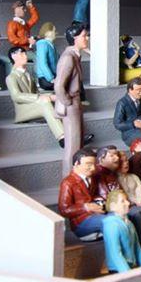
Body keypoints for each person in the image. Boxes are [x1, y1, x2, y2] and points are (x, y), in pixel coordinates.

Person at [93, 146, 141, 258]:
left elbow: (140, 189)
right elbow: (113, 195)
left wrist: (139, 200)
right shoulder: (108, 175)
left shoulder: (129, 176)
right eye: (112, 156)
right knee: (138, 214)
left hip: (133, 203)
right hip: (121, 206)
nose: (124, 163)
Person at [6, 46, 65, 147]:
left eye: (25, 53)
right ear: (13, 56)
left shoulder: (28, 75)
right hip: (23, 110)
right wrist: (39, 98)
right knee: (45, 102)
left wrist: (51, 96)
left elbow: (36, 92)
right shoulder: (11, 77)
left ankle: (73, 133)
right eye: (21, 54)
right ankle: (62, 137)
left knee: (58, 99)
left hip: (33, 104)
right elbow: (16, 96)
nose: (25, 56)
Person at [54, 23, 90, 176]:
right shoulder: (68, 57)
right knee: (72, 146)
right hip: (71, 103)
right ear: (75, 38)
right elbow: (58, 86)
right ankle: (68, 179)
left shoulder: (75, 55)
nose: (87, 38)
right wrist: (68, 102)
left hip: (75, 102)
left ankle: (77, 177)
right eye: (84, 36)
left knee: (78, 142)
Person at [57, 148, 105, 241]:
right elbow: (64, 210)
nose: (93, 168)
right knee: (110, 221)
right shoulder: (68, 183)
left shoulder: (91, 178)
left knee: (119, 217)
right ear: (76, 164)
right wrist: (85, 207)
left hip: (96, 214)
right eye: (88, 164)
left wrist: (99, 200)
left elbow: (93, 195)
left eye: (94, 164)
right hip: (81, 222)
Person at [102, 190, 141, 273]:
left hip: (131, 267)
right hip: (119, 270)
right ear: (113, 206)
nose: (128, 203)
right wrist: (127, 273)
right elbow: (115, 253)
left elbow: (137, 248)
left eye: (127, 200)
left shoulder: (129, 223)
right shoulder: (111, 225)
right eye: (122, 201)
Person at [35, 22, 58, 91]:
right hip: (45, 79)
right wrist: (51, 78)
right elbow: (42, 63)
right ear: (48, 33)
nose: (56, 33)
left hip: (54, 76)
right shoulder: (42, 44)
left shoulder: (50, 45)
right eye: (54, 31)